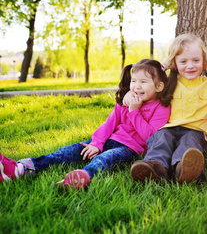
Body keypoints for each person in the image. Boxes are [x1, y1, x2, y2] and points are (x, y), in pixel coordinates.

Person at [0, 59, 171, 190]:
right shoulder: (125, 101)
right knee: (68, 152)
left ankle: (81, 177)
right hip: (109, 140)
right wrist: (96, 143)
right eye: (134, 81)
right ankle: (21, 168)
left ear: (159, 86)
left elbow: (150, 137)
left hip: (130, 149)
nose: (136, 87)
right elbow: (108, 124)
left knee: (105, 159)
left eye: (143, 82)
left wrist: (134, 111)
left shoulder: (161, 107)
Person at [129, 34, 207, 184]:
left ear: (204, 60)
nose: (190, 66)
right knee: (162, 140)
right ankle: (154, 167)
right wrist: (131, 92)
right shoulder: (168, 82)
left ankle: (184, 169)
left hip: (195, 129)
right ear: (175, 62)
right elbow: (148, 89)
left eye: (196, 60)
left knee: (189, 142)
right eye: (184, 61)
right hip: (168, 127)